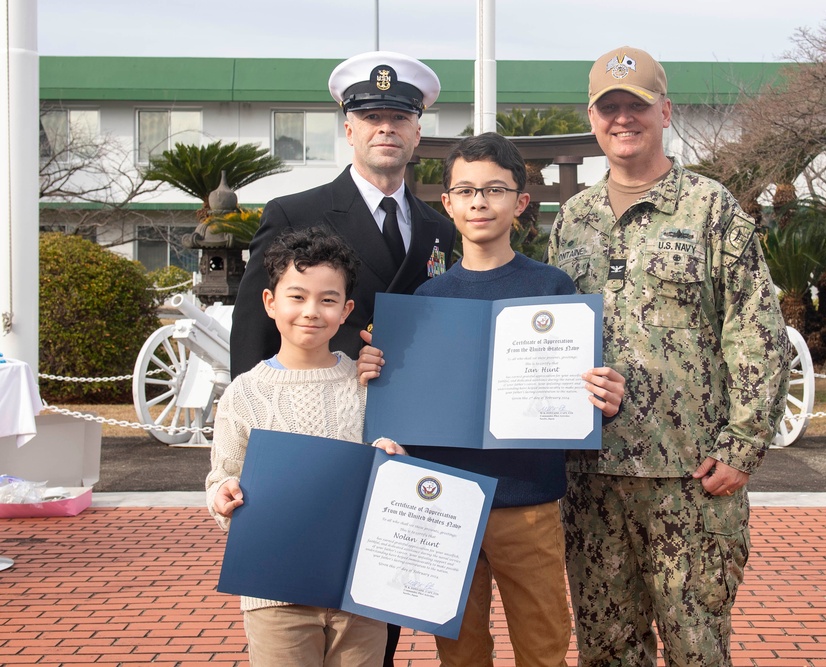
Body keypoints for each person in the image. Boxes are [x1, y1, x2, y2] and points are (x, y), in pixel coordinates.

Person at [546, 47, 790, 667]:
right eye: (610, 108)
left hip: (690, 479)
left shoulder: (712, 209)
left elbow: (756, 331)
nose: (623, 119)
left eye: (637, 106)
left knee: (697, 649)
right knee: (606, 649)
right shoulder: (572, 221)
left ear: (665, 111)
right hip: (591, 477)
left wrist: (742, 446)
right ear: (593, 117)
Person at [357, 132, 626, 667]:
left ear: (520, 203)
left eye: (495, 190)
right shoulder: (425, 300)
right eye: (467, 191)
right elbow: (405, 399)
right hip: (443, 500)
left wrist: (603, 394)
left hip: (528, 500)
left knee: (543, 641)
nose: (480, 202)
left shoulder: (553, 288)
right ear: (449, 203)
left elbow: (583, 386)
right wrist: (377, 372)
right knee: (458, 647)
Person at [207, 227, 395, 666]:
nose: (311, 311)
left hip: (358, 588)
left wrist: (394, 460)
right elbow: (223, 474)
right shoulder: (245, 393)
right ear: (270, 302)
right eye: (297, 297)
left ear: (347, 309)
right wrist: (222, 496)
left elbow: (391, 469)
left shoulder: (368, 386)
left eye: (328, 300)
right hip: (275, 590)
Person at [230, 50, 457, 377]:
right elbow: (253, 325)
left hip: (410, 395)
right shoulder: (293, 214)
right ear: (350, 132)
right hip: (320, 396)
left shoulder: (438, 228)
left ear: (416, 133)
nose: (386, 129)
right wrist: (252, 406)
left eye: (399, 118)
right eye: (372, 118)